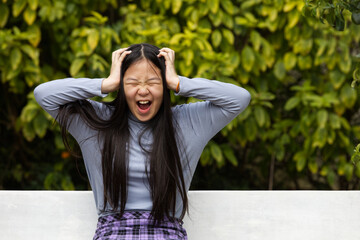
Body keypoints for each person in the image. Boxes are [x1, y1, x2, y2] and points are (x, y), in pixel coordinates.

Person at [34, 43, 251, 239]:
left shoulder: (188, 122)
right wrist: (106, 84)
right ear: (121, 86)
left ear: (164, 85)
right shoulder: (97, 122)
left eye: (153, 81)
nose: (143, 90)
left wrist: (178, 83)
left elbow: (239, 99)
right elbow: (44, 94)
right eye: (132, 82)